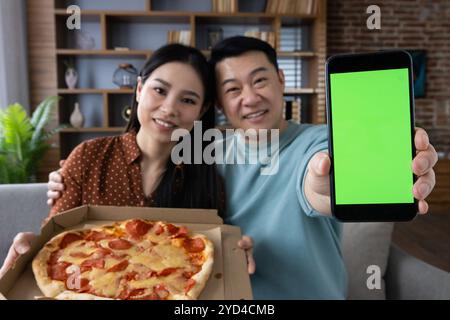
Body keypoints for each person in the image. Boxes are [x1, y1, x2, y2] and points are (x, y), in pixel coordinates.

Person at [46, 37, 437, 299]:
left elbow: (318, 183)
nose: (249, 99)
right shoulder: (205, 154)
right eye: (233, 89)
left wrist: (333, 183)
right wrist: (67, 178)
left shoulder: (318, 143)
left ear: (282, 80)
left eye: (260, 80)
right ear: (219, 103)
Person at [0, 43, 255, 280]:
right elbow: (53, 244)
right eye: (160, 90)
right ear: (140, 88)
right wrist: (30, 246)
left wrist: (238, 251)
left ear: (201, 110)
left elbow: (216, 255)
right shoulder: (88, 158)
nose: (169, 108)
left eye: (187, 100)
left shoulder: (209, 177)